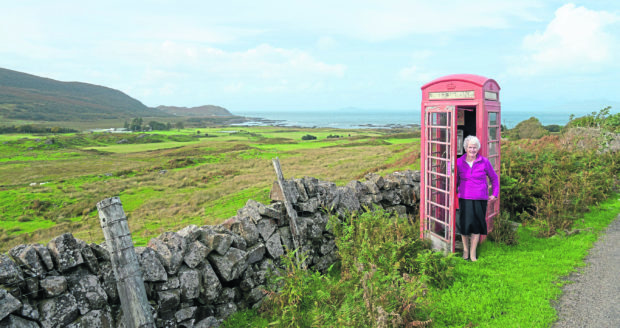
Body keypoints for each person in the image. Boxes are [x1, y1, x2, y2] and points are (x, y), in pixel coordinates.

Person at [457, 135, 499, 262]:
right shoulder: (459, 162)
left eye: (475, 147)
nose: (472, 150)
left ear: (478, 148)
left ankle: (473, 253)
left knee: (476, 226)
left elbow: (494, 178)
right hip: (464, 197)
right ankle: (465, 251)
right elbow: (454, 179)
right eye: (470, 147)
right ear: (465, 148)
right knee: (464, 226)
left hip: (480, 197)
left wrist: (495, 194)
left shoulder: (484, 161)